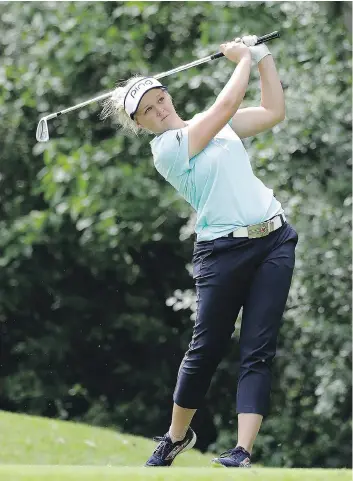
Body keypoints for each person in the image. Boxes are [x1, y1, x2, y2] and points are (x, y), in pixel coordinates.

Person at [101, 35, 298, 469]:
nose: (159, 110)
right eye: (148, 111)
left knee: (258, 347)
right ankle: (175, 436)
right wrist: (242, 58)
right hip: (221, 252)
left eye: (160, 99)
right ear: (141, 124)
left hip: (274, 240)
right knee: (206, 348)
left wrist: (263, 59)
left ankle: (243, 451)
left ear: (169, 95)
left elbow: (272, 112)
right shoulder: (167, 150)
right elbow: (225, 107)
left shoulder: (212, 125)